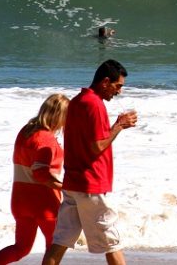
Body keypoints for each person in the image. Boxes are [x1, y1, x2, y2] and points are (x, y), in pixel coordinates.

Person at [42, 60, 137, 265]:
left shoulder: (77, 101)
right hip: (91, 185)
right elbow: (97, 147)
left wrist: (114, 126)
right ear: (105, 82)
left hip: (73, 183)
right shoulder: (94, 104)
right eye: (118, 86)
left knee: (59, 242)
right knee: (112, 244)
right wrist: (119, 126)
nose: (119, 91)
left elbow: (88, 143)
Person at [0, 94, 70, 265]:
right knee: (54, 248)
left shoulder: (25, 132)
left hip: (20, 200)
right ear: (59, 115)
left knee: (21, 248)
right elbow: (41, 173)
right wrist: (67, 187)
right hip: (43, 202)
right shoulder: (46, 138)